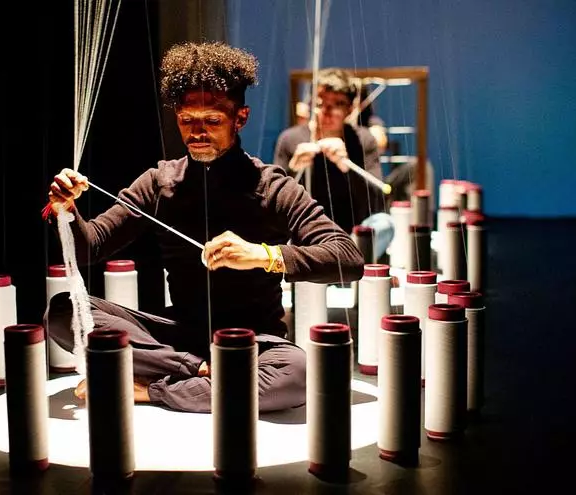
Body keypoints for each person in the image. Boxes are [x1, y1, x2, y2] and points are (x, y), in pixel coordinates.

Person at [44, 41, 365, 414]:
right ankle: (198, 373)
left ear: (240, 118)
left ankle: (150, 389)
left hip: (254, 340)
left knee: (296, 374)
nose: (197, 132)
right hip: (179, 337)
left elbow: (348, 258)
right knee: (63, 312)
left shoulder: (274, 187)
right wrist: (66, 211)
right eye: (187, 120)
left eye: (212, 121)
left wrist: (263, 255)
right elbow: (90, 247)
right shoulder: (158, 182)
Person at [273, 68, 386, 235]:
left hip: (351, 231)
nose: (327, 111)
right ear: (311, 104)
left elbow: (377, 200)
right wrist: (293, 169)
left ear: (350, 109)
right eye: (320, 103)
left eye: (338, 104)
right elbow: (274, 202)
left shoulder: (363, 140)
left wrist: (347, 166)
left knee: (384, 224)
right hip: (304, 229)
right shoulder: (290, 139)